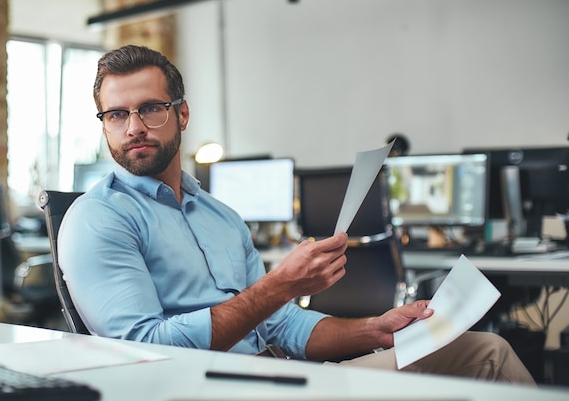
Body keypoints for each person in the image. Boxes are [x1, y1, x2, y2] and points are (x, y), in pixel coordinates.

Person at [58, 45, 534, 385]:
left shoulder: (220, 217)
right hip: (207, 388)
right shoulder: (97, 219)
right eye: (116, 115)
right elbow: (145, 352)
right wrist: (279, 285)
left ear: (182, 115)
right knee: (486, 359)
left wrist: (374, 328)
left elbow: (282, 327)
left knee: (484, 351)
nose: (134, 127)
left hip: (279, 375)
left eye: (150, 109)